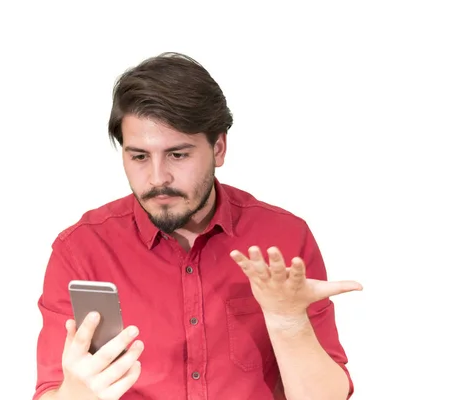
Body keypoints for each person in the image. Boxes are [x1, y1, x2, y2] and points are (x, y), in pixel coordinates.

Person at [33, 52, 362, 400]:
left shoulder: (284, 238)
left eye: (178, 154)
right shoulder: (81, 249)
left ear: (218, 148)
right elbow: (50, 392)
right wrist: (76, 393)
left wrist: (289, 322)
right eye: (139, 156)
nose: (158, 178)